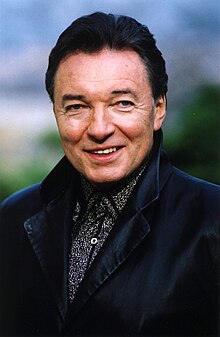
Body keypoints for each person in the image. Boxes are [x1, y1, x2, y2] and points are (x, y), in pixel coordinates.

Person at [0, 12, 219, 337]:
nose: (100, 129)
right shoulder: (13, 217)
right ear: (56, 113)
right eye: (77, 107)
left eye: (123, 103)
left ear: (159, 109)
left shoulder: (211, 219)